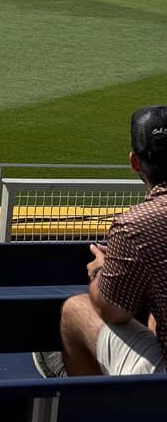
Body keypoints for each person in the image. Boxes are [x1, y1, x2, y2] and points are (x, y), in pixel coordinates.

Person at [33, 107, 167, 377]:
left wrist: (100, 271)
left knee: (75, 309)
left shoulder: (136, 224)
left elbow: (113, 312)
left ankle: (89, 410)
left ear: (134, 162)